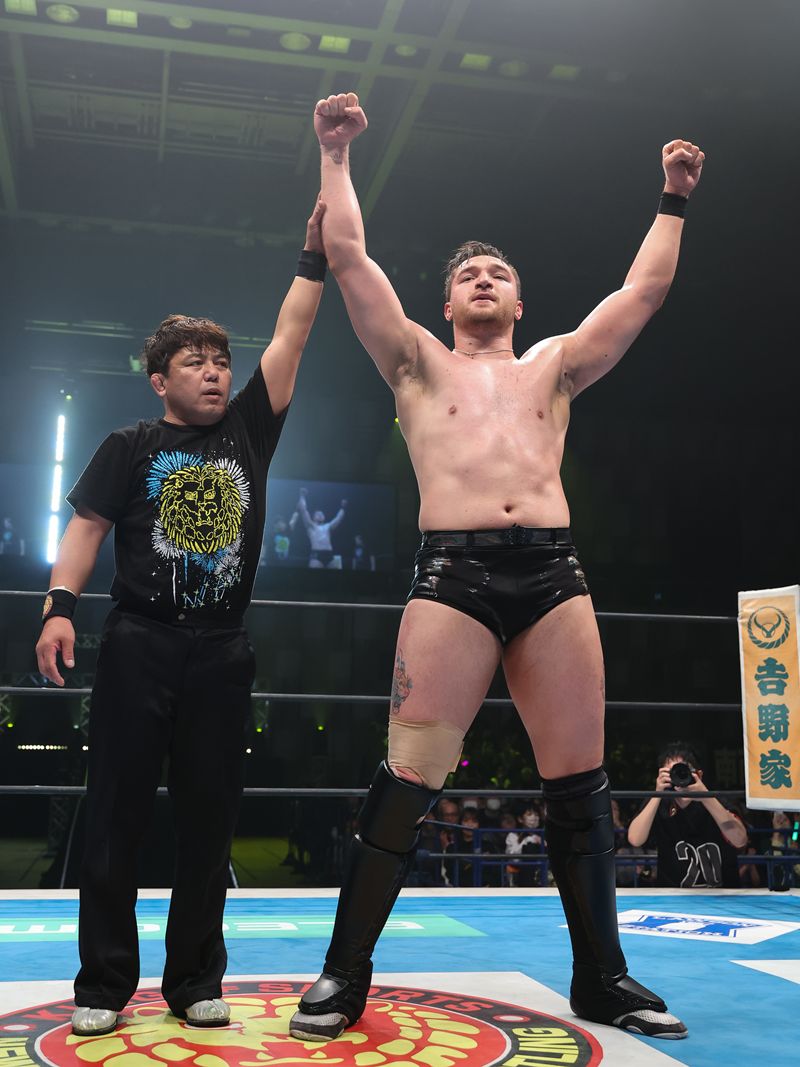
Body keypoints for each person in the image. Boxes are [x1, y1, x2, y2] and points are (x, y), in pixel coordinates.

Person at [290, 92, 703, 1043]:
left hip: (553, 576)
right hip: (454, 576)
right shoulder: (415, 363)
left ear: (520, 303)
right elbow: (348, 256)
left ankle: (602, 975)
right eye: (468, 273)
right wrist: (335, 154)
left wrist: (674, 198)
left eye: (499, 273)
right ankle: (344, 972)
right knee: (408, 777)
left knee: (581, 782)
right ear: (446, 304)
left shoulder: (552, 365)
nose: (483, 278)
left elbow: (640, 294)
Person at [34, 201, 328, 1037]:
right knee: (114, 815)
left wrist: (311, 258)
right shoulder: (128, 445)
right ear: (158, 379)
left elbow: (292, 335)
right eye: (194, 362)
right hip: (139, 643)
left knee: (210, 819)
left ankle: (195, 977)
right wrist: (59, 608)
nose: (214, 373)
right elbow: (86, 527)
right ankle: (103, 982)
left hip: (222, 651)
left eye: (221, 361)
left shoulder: (250, 430)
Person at [627, 744, 747, 888]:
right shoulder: (659, 803)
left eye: (683, 771)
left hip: (721, 894)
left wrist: (705, 797)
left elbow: (740, 840)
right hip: (672, 895)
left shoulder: (718, 801)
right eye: (672, 773)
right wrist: (657, 793)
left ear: (699, 775)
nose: (678, 777)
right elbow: (635, 839)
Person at [296, 488, 346, 567]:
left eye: (321, 514)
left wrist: (343, 507)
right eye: (318, 514)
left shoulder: (328, 526)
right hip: (316, 554)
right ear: (313, 517)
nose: (320, 515)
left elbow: (338, 518)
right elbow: (303, 510)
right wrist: (302, 496)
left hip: (329, 554)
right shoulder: (310, 525)